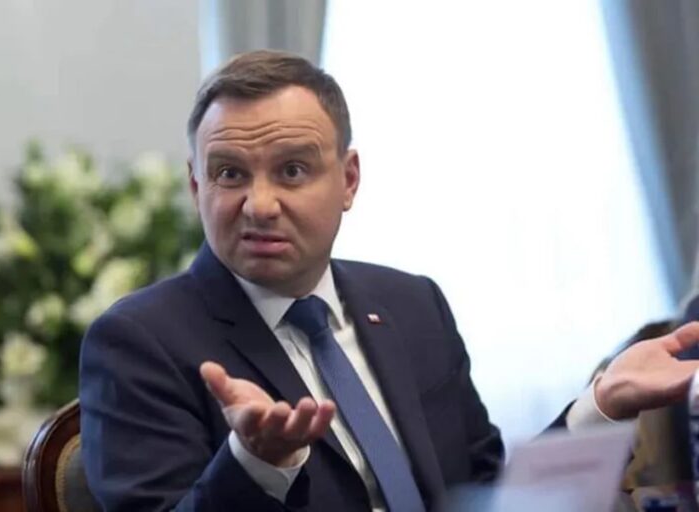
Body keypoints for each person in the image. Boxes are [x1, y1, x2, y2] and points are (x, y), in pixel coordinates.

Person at [80, 50, 699, 512]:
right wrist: (254, 464)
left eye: (291, 171)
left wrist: (600, 405)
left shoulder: (412, 304)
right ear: (196, 186)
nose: (259, 205)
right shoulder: (139, 341)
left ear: (348, 180)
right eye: (229, 174)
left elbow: (484, 494)